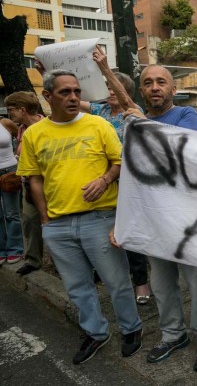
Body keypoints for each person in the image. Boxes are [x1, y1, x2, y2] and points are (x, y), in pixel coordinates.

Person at [16, 70, 143, 364]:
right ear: (47, 97)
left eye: (76, 91)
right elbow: (33, 179)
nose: (74, 97)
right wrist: (46, 220)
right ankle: (96, 333)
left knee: (117, 281)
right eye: (65, 92)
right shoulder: (35, 134)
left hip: (100, 219)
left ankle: (131, 328)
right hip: (58, 226)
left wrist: (106, 179)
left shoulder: (98, 125)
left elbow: (120, 161)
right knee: (77, 286)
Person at [122, 65, 197, 372]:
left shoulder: (185, 117)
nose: (155, 87)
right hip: (155, 221)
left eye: (161, 82)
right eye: (148, 83)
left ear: (172, 90)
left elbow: (185, 152)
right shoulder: (134, 125)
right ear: (141, 91)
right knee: (162, 284)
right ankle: (173, 334)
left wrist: (141, 125)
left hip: (189, 220)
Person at [36, 48, 152, 302]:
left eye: (115, 88)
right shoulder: (98, 112)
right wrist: (46, 74)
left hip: (129, 183)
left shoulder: (131, 113)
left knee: (128, 233)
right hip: (105, 187)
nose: (110, 91)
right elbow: (62, 99)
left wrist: (105, 69)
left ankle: (141, 283)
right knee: (108, 237)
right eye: (108, 88)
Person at [5, 91, 43, 274]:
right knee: (29, 221)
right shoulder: (21, 128)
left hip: (46, 184)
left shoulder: (46, 126)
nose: (9, 113)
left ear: (22, 109)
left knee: (55, 224)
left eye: (11, 109)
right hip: (27, 184)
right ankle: (33, 260)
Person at [0, 110, 21, 265]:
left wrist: (17, 156)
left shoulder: (5, 123)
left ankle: (15, 249)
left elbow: (20, 139)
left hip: (9, 172)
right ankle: (1, 250)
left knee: (11, 213)